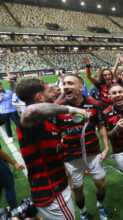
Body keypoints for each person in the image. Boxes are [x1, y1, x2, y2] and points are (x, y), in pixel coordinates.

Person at [15, 78, 88, 219]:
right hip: (52, 192)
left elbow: (53, 152)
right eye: (49, 91)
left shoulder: (48, 119)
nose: (55, 93)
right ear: (39, 97)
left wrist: (66, 174)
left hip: (56, 186)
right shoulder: (32, 121)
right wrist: (74, 110)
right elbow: (31, 110)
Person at [56, 74, 110, 220]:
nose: (66, 86)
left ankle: (100, 204)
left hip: (93, 153)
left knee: (101, 184)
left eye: (70, 83)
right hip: (71, 157)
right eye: (64, 83)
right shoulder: (59, 108)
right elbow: (54, 136)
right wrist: (62, 163)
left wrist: (106, 147)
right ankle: (84, 211)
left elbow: (101, 126)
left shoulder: (94, 104)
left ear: (80, 88)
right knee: (77, 190)